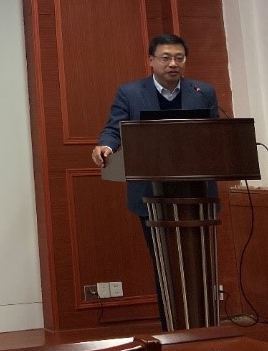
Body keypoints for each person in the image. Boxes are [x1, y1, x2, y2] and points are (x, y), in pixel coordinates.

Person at [90, 33, 219, 328]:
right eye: (166, 58)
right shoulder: (130, 93)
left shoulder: (203, 91)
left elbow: (215, 135)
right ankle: (171, 328)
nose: (173, 64)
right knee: (165, 263)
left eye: (179, 58)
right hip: (152, 195)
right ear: (151, 61)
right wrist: (105, 146)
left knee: (199, 264)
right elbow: (114, 128)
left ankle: (204, 329)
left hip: (198, 194)